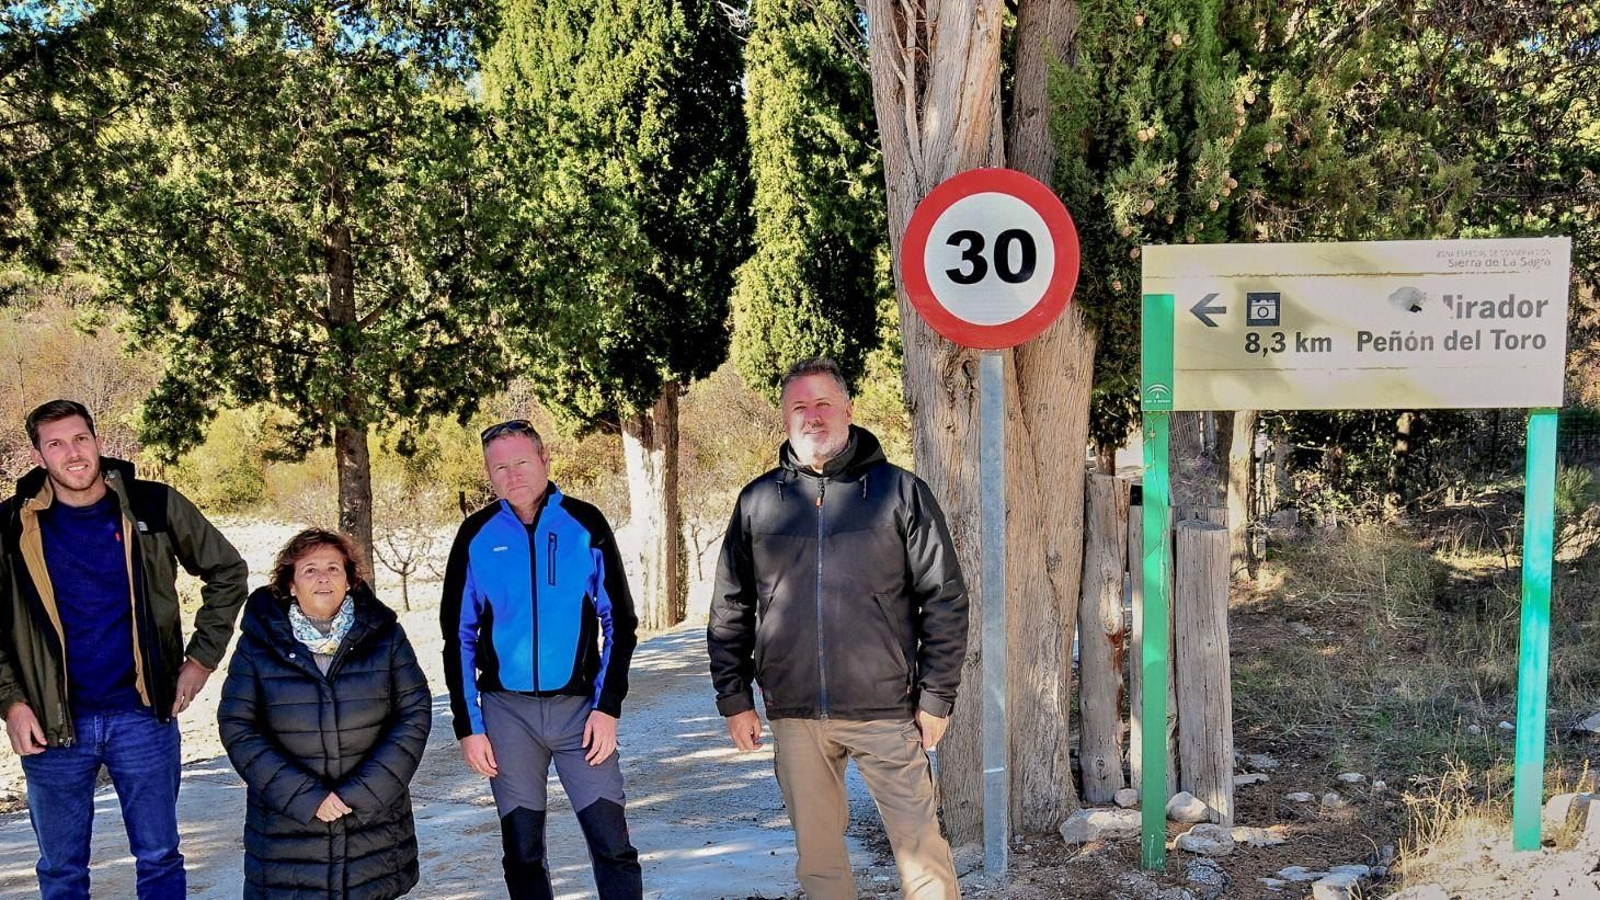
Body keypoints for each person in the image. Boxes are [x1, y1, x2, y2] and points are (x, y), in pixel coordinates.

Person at [707, 357, 970, 900]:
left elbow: (943, 598)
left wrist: (937, 695)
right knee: (820, 864)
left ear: (848, 408)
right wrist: (733, 697)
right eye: (799, 406)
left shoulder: (900, 492)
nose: (812, 416)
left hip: (887, 711)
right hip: (796, 713)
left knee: (924, 858)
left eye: (823, 403)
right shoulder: (758, 502)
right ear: (784, 417)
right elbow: (730, 606)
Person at [0, 399, 249, 899]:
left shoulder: (152, 505)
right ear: (39, 454)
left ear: (97, 440)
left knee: (159, 858)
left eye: (80, 439)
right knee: (62, 870)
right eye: (56, 444)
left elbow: (227, 572)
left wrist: (201, 659)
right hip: (52, 725)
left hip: (143, 715)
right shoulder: (10, 525)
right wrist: (10, 702)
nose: (72, 453)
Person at [441, 419, 643, 900]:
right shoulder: (476, 535)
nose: (512, 476)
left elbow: (621, 623)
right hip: (507, 715)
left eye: (521, 462)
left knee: (612, 843)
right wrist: (469, 727)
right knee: (523, 852)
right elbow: (458, 637)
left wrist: (607, 707)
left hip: (581, 714)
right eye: (499, 468)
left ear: (545, 459)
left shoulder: (584, 524)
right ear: (489, 475)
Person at [217, 528, 432, 899]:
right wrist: (305, 796)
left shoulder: (386, 636)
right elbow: (239, 726)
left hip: (373, 829)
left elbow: (413, 714)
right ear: (291, 584)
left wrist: (360, 794)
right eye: (310, 569)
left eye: (333, 568)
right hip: (288, 834)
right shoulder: (257, 644)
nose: (322, 578)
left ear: (349, 581)